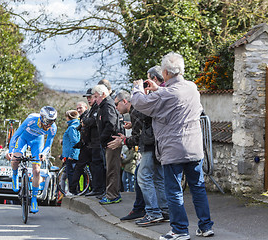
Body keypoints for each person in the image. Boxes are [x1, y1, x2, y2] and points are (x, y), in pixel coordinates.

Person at [131, 52, 214, 240]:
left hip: (173, 149)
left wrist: (137, 88)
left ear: (166, 72)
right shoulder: (192, 88)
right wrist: (158, 88)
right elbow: (172, 95)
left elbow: (139, 103)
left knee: (174, 191)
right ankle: (205, 226)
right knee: (198, 187)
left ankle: (179, 230)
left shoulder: (165, 94)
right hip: (194, 148)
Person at [108, 89, 169, 224]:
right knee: (158, 178)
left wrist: (123, 141)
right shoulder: (139, 109)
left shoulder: (135, 111)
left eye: (116, 104)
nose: (116, 108)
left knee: (142, 177)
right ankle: (165, 210)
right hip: (158, 145)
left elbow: (137, 138)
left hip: (149, 147)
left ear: (125, 101)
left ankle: (153, 212)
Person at [6, 106, 57, 213]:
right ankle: (15, 175)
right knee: (15, 159)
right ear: (42, 118)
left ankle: (34, 199)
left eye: (52, 121)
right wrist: (10, 150)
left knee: (36, 171)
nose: (49, 125)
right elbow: (16, 135)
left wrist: (43, 153)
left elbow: (48, 144)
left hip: (37, 143)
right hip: (23, 139)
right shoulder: (31, 120)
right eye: (48, 121)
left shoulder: (53, 128)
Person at [92, 84, 123, 204]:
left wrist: (103, 139)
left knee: (112, 169)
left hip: (112, 142)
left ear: (103, 95)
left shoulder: (108, 105)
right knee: (109, 168)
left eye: (96, 96)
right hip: (108, 141)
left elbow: (111, 123)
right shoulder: (104, 105)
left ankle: (113, 195)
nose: (94, 100)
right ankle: (111, 191)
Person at [82, 88, 106, 196]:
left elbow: (94, 121)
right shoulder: (92, 109)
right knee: (94, 166)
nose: (88, 99)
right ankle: (95, 187)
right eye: (87, 97)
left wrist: (85, 121)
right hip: (92, 143)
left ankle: (99, 189)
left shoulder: (98, 108)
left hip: (97, 142)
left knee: (98, 166)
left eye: (90, 97)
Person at [61, 110, 80, 194]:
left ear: (68, 117)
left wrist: (72, 154)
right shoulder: (76, 125)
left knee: (71, 174)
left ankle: (72, 191)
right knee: (72, 173)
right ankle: (73, 190)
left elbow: (74, 142)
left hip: (71, 155)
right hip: (72, 154)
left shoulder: (72, 128)